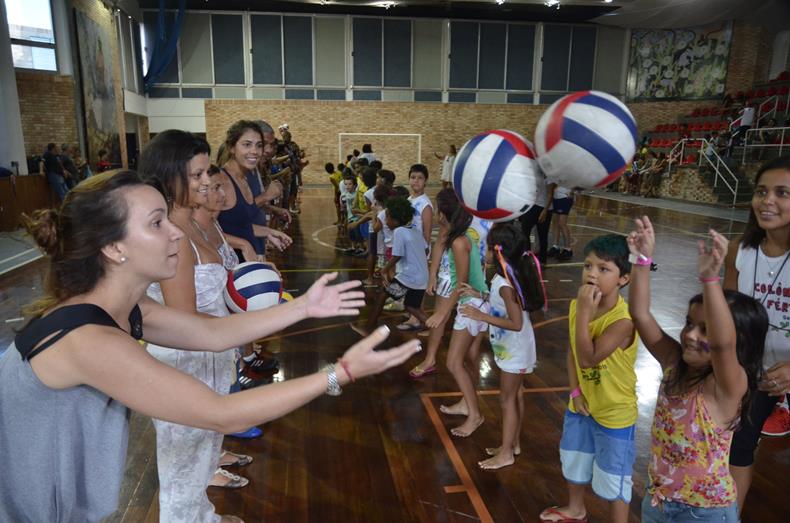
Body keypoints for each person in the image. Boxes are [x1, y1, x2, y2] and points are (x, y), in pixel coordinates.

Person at [0, 169, 420, 523]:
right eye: (157, 223)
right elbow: (221, 414)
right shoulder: (88, 340)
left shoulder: (121, 308)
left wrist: (304, 307)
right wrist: (340, 373)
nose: (175, 235)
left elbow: (213, 334)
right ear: (113, 248)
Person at [628, 216, 767, 522]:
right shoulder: (674, 363)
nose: (691, 335)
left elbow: (722, 346)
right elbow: (639, 314)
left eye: (706, 330)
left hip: (706, 512)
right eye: (690, 324)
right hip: (659, 500)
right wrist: (641, 259)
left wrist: (710, 280)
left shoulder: (729, 385)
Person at [540, 235, 637, 523]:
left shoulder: (623, 321)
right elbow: (572, 351)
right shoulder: (577, 306)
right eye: (587, 265)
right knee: (575, 459)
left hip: (614, 412)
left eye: (603, 269)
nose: (592, 274)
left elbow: (588, 358)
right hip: (582, 404)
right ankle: (575, 508)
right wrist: (574, 392)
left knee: (614, 476)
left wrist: (584, 313)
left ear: (624, 279)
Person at [724, 156, 790, 513]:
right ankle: (727, 517)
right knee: (739, 444)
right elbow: (728, 317)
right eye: (762, 191)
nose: (768, 201)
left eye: (782, 193)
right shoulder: (741, 251)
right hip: (758, 373)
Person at [457, 223, 546, 469]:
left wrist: (480, 315)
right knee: (514, 396)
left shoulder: (506, 283)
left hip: (516, 350)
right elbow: (502, 303)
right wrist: (479, 294)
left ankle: (506, 453)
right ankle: (512, 444)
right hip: (513, 349)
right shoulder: (504, 277)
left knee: (507, 399)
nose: (482, 251)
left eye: (485, 247)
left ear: (497, 252)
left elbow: (516, 323)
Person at [425, 192, 489, 437]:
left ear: (443, 213)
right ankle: (466, 403)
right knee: (465, 358)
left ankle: (476, 416)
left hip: (471, 303)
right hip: (470, 301)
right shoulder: (454, 238)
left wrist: (443, 313)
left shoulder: (459, 242)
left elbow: (461, 283)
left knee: (453, 362)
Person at [350, 196, 428, 336]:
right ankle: (432, 325)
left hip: (409, 276)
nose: (386, 222)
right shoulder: (415, 231)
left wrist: (385, 270)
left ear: (396, 220)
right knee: (410, 306)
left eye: (387, 218)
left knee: (382, 294)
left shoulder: (399, 232)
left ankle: (368, 329)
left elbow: (397, 255)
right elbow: (426, 249)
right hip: (421, 277)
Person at [217, 120, 291, 262]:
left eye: (259, 146)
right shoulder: (221, 181)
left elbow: (236, 224)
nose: (255, 151)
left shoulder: (245, 178)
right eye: (247, 145)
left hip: (247, 261)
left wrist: (268, 232)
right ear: (232, 148)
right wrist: (243, 245)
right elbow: (206, 232)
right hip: (228, 267)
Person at [519, 170, 555, 265]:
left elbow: (550, 194)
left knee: (542, 235)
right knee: (524, 231)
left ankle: (542, 260)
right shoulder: (533, 173)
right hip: (532, 206)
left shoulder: (549, 176)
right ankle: (527, 256)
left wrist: (545, 210)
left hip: (544, 207)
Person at [547, 185, 574, 261]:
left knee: (562, 223)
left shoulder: (570, 173)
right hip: (556, 197)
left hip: (565, 197)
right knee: (555, 223)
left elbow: (578, 180)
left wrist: (573, 192)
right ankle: (555, 247)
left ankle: (568, 249)